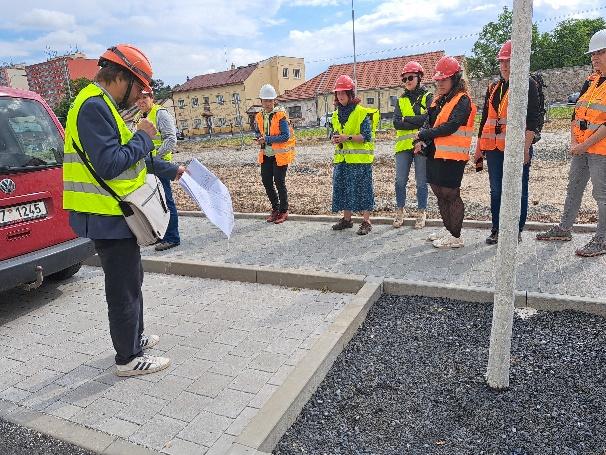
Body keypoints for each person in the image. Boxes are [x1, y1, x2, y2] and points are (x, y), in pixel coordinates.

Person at [62, 44, 185, 377]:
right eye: (139, 88)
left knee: (132, 280)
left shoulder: (101, 105)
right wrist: (145, 136)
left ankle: (135, 339)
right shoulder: (92, 106)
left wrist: (170, 169)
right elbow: (110, 163)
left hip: (115, 214)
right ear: (124, 78)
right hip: (106, 216)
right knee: (123, 287)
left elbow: (129, 157)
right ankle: (128, 359)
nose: (139, 97)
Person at [536, 29, 606, 257]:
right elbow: (576, 113)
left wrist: (583, 146)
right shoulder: (591, 80)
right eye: (593, 54)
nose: (595, 58)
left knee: (602, 195)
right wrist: (575, 140)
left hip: (600, 151)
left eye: (601, 53)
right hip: (581, 148)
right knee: (573, 188)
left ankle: (602, 239)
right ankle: (565, 228)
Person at [474, 40, 540, 245]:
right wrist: (479, 149)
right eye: (502, 61)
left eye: (509, 61)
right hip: (494, 149)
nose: (504, 66)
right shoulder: (494, 87)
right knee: (496, 190)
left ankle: (516, 229)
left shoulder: (528, 84)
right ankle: (497, 228)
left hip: (517, 148)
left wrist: (526, 148)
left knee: (518, 189)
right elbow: (485, 119)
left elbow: (533, 120)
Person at [415, 56, 477, 249]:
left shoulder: (463, 100)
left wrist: (423, 134)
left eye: (444, 79)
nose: (440, 83)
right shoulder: (439, 100)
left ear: (455, 78)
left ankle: (456, 236)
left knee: (451, 194)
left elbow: (450, 126)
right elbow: (429, 120)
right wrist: (420, 139)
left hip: (453, 157)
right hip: (435, 154)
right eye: (438, 80)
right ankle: (448, 229)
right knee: (439, 193)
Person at [133, 89, 180, 251]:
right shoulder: (138, 117)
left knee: (165, 201)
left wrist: (156, 158)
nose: (141, 101)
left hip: (159, 166)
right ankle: (160, 235)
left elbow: (171, 139)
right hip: (145, 167)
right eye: (138, 98)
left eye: (144, 97)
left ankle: (172, 237)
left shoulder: (160, 113)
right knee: (154, 204)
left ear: (151, 98)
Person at [330, 75, 376, 235]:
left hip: (360, 160)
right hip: (342, 159)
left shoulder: (361, 112)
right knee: (344, 188)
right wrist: (334, 138)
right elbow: (335, 133)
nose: (340, 95)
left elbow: (366, 137)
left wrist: (346, 138)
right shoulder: (336, 114)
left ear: (351, 94)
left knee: (363, 190)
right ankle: (347, 219)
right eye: (338, 93)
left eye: (343, 92)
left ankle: (366, 221)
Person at [392, 61, 432, 229]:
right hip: (403, 147)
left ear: (419, 77)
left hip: (421, 144)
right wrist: (417, 120)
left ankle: (421, 212)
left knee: (421, 182)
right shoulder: (400, 100)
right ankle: (400, 211)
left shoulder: (427, 96)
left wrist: (406, 119)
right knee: (400, 181)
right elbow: (396, 123)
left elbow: (429, 118)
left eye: (410, 77)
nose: (407, 81)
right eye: (405, 79)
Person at [254, 83, 295, 224]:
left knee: (279, 182)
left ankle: (284, 211)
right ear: (261, 101)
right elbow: (257, 131)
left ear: (274, 101)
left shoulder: (280, 115)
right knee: (266, 181)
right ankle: (275, 209)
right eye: (265, 100)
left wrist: (268, 139)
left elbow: (285, 136)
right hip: (266, 154)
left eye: (270, 100)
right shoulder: (259, 116)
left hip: (280, 155)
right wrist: (259, 138)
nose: (268, 103)